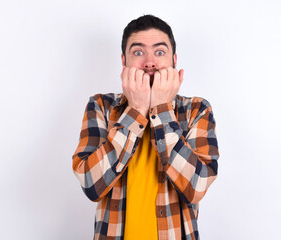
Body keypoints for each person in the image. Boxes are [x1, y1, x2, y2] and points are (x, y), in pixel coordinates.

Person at [72, 14, 219, 240]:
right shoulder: (101, 106)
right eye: (138, 52)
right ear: (124, 62)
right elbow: (91, 184)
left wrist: (161, 109)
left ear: (174, 60)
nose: (149, 62)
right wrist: (137, 109)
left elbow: (197, 187)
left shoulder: (196, 110)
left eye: (159, 52)